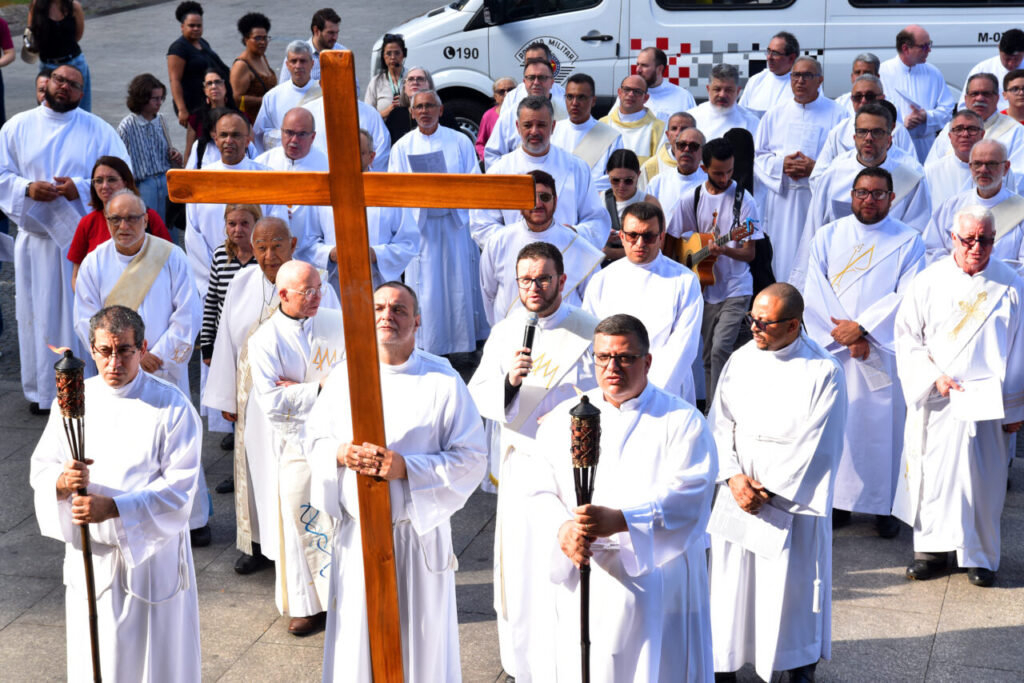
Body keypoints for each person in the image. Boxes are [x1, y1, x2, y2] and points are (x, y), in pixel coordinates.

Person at [307, 281, 487, 681]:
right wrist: (341, 453)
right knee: (357, 638)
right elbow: (313, 440)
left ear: (417, 321)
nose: (387, 316)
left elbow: (472, 458)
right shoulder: (344, 377)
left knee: (419, 643)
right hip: (359, 536)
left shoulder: (443, 380)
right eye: (379, 308)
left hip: (415, 536)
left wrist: (407, 468)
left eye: (399, 310)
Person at [530, 313, 717, 682]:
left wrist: (621, 520)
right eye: (603, 357)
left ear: (647, 361)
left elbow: (692, 494)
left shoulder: (680, 420)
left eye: (625, 357)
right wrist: (563, 527)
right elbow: (536, 488)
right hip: (584, 569)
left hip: (655, 576)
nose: (612, 366)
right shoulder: (561, 421)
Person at [30, 305, 202, 682]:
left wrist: (114, 508)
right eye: (105, 351)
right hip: (93, 557)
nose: (114, 362)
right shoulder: (73, 401)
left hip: (149, 561)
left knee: (152, 661)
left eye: (124, 350)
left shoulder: (171, 406)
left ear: (142, 348)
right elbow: (43, 466)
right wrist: (61, 482)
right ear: (91, 350)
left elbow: (179, 490)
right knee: (97, 657)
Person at [470, 241, 599, 681]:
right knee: (523, 567)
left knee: (562, 561)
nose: (534, 287)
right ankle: (524, 662)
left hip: (568, 465)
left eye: (543, 278)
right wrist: (510, 381)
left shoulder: (588, 329)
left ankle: (569, 655)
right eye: (526, 279)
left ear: (562, 280)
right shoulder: (508, 331)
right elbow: (480, 391)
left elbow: (606, 394)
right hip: (522, 462)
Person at [708, 284, 847, 683]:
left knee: (790, 588)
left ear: (793, 324)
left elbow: (821, 444)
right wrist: (733, 476)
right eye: (752, 318)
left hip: (788, 500)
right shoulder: (740, 359)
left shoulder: (824, 371)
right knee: (732, 587)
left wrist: (766, 491)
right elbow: (720, 422)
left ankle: (796, 663)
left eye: (764, 323)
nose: (754, 328)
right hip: (738, 491)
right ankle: (725, 663)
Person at [893, 206, 1024, 587]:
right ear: (953, 238)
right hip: (938, 398)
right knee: (933, 477)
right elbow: (906, 338)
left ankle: (980, 556)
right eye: (969, 239)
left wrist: (1014, 407)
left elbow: (1019, 350)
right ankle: (931, 551)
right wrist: (933, 377)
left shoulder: (1011, 284)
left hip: (988, 402)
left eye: (985, 240)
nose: (976, 247)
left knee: (982, 480)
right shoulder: (928, 281)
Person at [0, 64, 129, 415]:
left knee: (80, 314)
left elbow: (122, 174)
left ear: (81, 92)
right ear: (46, 84)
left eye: (74, 84)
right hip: (37, 243)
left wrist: (80, 188)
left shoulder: (98, 129)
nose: (65, 88)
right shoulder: (16, 127)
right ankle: (44, 391)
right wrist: (26, 188)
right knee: (37, 315)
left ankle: (87, 387)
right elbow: (1, 174)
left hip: (82, 245)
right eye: (60, 80)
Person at [802, 167, 925, 537]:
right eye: (862, 192)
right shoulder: (827, 235)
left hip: (881, 349)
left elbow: (909, 293)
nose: (869, 199)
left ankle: (884, 505)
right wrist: (842, 335)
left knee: (882, 430)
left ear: (891, 197)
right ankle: (839, 502)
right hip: (836, 350)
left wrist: (865, 329)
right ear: (851, 194)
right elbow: (814, 288)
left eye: (877, 193)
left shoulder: (909, 240)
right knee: (839, 424)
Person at [246, 260, 345, 635]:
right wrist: (322, 388)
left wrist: (312, 389)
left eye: (319, 287)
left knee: (343, 518)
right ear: (284, 294)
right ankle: (307, 604)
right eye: (308, 291)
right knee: (301, 515)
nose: (318, 296)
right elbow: (271, 400)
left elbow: (359, 371)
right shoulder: (265, 339)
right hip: (297, 442)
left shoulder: (337, 322)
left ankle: (348, 595)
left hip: (342, 436)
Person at [388, 89, 489, 355]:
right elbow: (394, 190)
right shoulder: (402, 147)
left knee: (458, 287)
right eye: (419, 107)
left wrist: (447, 193)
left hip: (454, 224)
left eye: (430, 106)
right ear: (412, 112)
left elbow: (473, 182)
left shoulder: (460, 142)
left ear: (441, 111)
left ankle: (462, 347)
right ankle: (425, 345)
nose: (425, 112)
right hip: (421, 229)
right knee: (427, 290)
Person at [666, 137, 763, 405]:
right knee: (708, 354)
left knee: (721, 347)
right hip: (705, 286)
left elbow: (749, 253)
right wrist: (688, 261)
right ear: (704, 168)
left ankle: (720, 409)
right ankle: (711, 408)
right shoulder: (692, 198)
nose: (725, 177)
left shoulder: (744, 201)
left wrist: (725, 249)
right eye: (718, 172)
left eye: (729, 171)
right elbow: (671, 242)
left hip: (736, 286)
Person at [583, 202, 703, 403]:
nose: (639, 243)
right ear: (621, 236)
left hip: (667, 390)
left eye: (648, 236)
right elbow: (590, 338)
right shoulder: (601, 280)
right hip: (613, 389)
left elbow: (684, 345)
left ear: (661, 237)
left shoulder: (684, 280)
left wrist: (650, 393)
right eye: (632, 235)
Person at [474, 96, 610, 251]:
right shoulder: (499, 171)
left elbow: (597, 220)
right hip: (516, 259)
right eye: (528, 125)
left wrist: (571, 234)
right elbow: (482, 224)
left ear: (553, 127)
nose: (534, 131)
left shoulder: (576, 168)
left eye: (541, 125)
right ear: (518, 127)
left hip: (565, 257)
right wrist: (518, 241)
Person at [754, 56, 846, 283]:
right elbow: (758, 156)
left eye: (807, 76)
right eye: (796, 75)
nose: (800, 81)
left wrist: (815, 169)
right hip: (782, 200)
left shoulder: (839, 114)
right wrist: (782, 165)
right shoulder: (774, 114)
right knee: (780, 256)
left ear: (820, 80)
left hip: (815, 199)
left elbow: (846, 161)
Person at [804, 103, 931, 259]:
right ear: (854, 138)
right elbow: (814, 229)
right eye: (862, 132)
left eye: (877, 132)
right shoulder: (833, 175)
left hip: (889, 262)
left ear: (889, 139)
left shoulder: (910, 177)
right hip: (838, 261)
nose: (868, 138)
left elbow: (918, 230)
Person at [479, 170, 604, 323]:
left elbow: (594, 301)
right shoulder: (498, 242)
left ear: (555, 201)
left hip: (565, 336)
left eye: (544, 197)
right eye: (530, 197)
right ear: (519, 202)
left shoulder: (578, 245)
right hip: (511, 335)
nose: (538, 204)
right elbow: (488, 294)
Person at [184, 109, 281, 301]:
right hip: (213, 281)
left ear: (247, 140)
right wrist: (212, 279)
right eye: (224, 135)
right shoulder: (200, 181)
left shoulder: (267, 178)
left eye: (236, 135)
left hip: (259, 276)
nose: (229, 140)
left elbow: (277, 229)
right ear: (215, 139)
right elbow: (192, 238)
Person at [307, 128, 419, 292]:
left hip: (379, 285)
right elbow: (306, 242)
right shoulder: (322, 191)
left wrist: (376, 255)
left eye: (358, 152)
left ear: (371, 157)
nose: (350, 157)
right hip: (335, 285)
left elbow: (408, 241)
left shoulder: (388, 192)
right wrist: (330, 254)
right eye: (345, 152)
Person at [68, 156, 172, 290]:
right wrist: (90, 303)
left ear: (126, 182)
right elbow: (76, 276)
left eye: (111, 179)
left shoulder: (149, 217)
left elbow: (169, 263)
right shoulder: (87, 223)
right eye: (98, 181)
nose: (104, 186)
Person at [924, 139, 1024, 270]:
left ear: (1006, 168)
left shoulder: (1020, 210)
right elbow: (931, 250)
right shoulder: (952, 206)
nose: (983, 170)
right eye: (977, 164)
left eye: (991, 164)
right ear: (970, 167)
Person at [255, 108, 328, 260]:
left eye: (301, 134)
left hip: (312, 254)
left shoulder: (327, 167)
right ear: (281, 132)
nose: (294, 140)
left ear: (313, 137)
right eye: (289, 132)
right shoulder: (262, 164)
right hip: (269, 253)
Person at [879, 25, 956, 162]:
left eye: (929, 45)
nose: (929, 50)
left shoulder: (933, 73)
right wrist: (902, 124)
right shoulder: (883, 72)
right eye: (924, 46)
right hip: (895, 147)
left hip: (927, 147)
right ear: (905, 48)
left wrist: (926, 116)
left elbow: (948, 110)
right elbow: (876, 111)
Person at [117, 73, 184, 226]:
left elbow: (165, 147)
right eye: (155, 98)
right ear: (142, 98)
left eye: (161, 98)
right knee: (149, 227)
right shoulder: (127, 126)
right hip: (144, 184)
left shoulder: (161, 120)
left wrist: (174, 154)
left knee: (169, 226)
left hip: (165, 180)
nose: (159, 102)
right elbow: (122, 161)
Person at [166, 2, 230, 161]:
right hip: (192, 105)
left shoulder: (203, 43)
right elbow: (174, 80)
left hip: (208, 101)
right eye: (191, 25)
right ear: (182, 27)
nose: (196, 29)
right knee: (196, 143)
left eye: (199, 25)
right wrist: (182, 109)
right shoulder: (178, 49)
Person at [199, 204, 259, 371]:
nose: (238, 229)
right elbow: (212, 302)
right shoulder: (220, 256)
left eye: (245, 223)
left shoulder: (264, 258)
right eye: (232, 224)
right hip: (225, 341)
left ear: (256, 223)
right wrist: (207, 344)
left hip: (257, 341)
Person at [927, 72, 1024, 170]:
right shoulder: (951, 128)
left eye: (986, 94)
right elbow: (931, 168)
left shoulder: (1015, 131)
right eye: (974, 94)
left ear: (997, 98)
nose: (980, 98)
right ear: (966, 99)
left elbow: (1018, 175)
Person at [816, 74, 916, 168]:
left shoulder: (898, 131)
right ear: (852, 99)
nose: (863, 101)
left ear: (882, 98)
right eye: (858, 97)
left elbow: (912, 171)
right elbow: (819, 176)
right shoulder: (839, 131)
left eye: (870, 96)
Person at [485, 57, 568, 167]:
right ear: (524, 82)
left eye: (542, 78)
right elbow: (492, 155)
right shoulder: (509, 115)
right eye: (531, 78)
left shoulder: (566, 115)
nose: (536, 82)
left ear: (552, 82)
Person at [551, 72, 624, 193]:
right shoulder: (552, 131)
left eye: (581, 97)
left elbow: (613, 178)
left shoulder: (611, 137)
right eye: (570, 97)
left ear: (593, 101)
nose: (574, 103)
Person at [304, 86, 391, 172]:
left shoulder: (371, 114)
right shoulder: (307, 112)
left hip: (360, 181)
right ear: (321, 83)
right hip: (316, 180)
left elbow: (381, 154)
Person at [252, 41, 318, 154]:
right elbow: (259, 135)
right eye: (294, 61)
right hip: (280, 160)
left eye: (303, 61)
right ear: (287, 65)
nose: (298, 66)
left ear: (312, 64)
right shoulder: (273, 96)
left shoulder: (323, 93)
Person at [29, 0, 89, 112]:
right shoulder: (37, 6)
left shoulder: (74, 6)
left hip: (74, 63)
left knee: (80, 110)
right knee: (47, 109)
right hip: (47, 65)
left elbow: (78, 35)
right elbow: (31, 32)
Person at [649, 127, 708, 237]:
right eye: (682, 145)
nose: (686, 149)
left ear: (703, 152)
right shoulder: (658, 182)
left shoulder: (710, 185)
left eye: (693, 146)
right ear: (675, 148)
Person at [603, 149, 659, 264]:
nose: (621, 186)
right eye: (615, 180)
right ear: (607, 174)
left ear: (638, 175)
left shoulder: (650, 203)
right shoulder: (600, 199)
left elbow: (658, 247)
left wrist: (611, 253)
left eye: (628, 181)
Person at [600, 75, 665, 164]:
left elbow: (660, 167)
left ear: (646, 98)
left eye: (637, 91)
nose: (631, 94)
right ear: (619, 92)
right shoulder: (603, 124)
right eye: (627, 89)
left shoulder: (659, 128)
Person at [619, 47, 696, 122]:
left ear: (660, 69)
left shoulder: (683, 96)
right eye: (637, 64)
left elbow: (693, 130)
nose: (638, 70)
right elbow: (613, 125)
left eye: (644, 65)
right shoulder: (627, 94)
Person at [687, 63, 760, 141]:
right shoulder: (691, 118)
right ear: (708, 89)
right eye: (717, 89)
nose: (722, 95)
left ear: (738, 91)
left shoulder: (751, 122)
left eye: (728, 90)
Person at [184, 71, 240, 168]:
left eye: (218, 82)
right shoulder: (196, 118)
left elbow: (250, 148)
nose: (214, 86)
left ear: (226, 86)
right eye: (209, 83)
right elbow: (189, 154)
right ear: (204, 90)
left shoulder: (240, 117)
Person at [230, 12, 277, 126]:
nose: (263, 42)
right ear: (246, 39)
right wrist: (264, 101)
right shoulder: (242, 65)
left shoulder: (262, 57)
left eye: (265, 38)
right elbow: (236, 98)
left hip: (267, 119)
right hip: (251, 123)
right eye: (257, 38)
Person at [277, 7, 346, 83]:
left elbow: (354, 88)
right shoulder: (295, 55)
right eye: (330, 33)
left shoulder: (343, 54)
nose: (335, 38)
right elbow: (283, 87)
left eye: (337, 33)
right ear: (316, 30)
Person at [961, 28, 1024, 111]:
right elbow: (964, 106)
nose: (1011, 64)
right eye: (1007, 59)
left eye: (1016, 59)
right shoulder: (982, 69)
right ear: (998, 48)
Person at [739, 32, 799, 118]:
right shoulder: (756, 80)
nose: (769, 58)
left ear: (791, 58)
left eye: (775, 53)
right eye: (768, 51)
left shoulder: (803, 84)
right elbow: (742, 115)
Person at [639, 111, 694, 185]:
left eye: (684, 129)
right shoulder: (650, 167)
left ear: (695, 133)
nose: (678, 133)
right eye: (674, 129)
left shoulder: (704, 165)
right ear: (667, 135)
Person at [365, 33, 407, 118]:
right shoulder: (376, 82)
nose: (393, 57)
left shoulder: (413, 77)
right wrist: (388, 111)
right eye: (388, 53)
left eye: (397, 53)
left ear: (403, 54)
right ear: (383, 56)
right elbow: (368, 117)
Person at [476, 76, 515, 161]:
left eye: (510, 90)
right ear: (495, 96)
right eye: (501, 91)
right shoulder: (488, 116)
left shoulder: (524, 113)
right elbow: (480, 144)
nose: (506, 94)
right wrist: (487, 159)